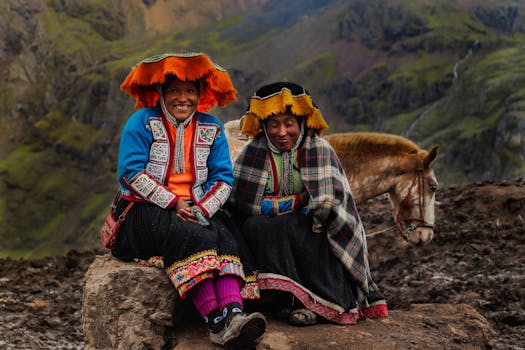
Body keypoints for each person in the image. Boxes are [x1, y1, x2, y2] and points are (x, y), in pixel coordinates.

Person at [113, 52, 266, 347]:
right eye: (174, 91)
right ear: (160, 93)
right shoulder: (141, 123)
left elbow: (223, 178)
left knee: (227, 239)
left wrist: (203, 208)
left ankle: (235, 315)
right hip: (146, 209)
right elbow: (130, 173)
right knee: (193, 237)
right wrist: (173, 202)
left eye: (189, 91)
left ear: (200, 94)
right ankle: (216, 323)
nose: (182, 98)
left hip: (199, 206)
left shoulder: (211, 128)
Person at [228, 82, 388, 326]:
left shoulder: (319, 149)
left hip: (313, 226)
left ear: (301, 122)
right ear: (263, 126)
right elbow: (241, 202)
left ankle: (317, 304)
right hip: (270, 226)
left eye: (289, 123)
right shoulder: (253, 152)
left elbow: (326, 204)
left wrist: (284, 206)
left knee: (294, 227)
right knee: (254, 226)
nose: (282, 132)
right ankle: (278, 300)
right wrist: (294, 202)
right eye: (274, 124)